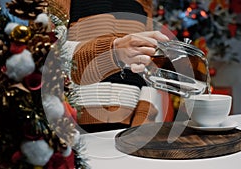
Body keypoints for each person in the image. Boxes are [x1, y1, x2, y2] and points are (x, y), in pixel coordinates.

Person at [55, 0, 170, 132]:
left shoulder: (144, 3)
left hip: (129, 120)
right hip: (74, 117)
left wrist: (144, 112)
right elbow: (53, 51)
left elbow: (149, 59)